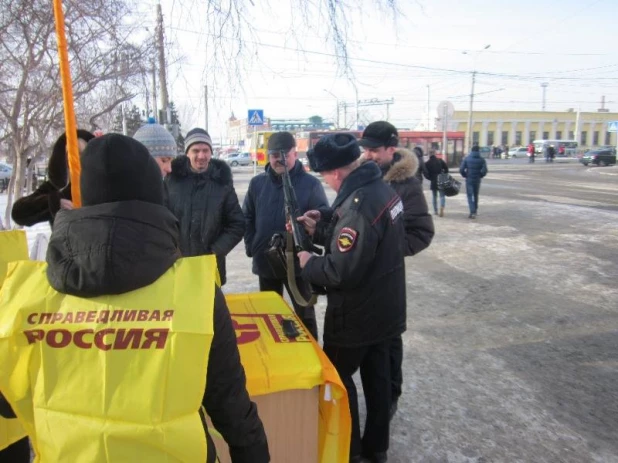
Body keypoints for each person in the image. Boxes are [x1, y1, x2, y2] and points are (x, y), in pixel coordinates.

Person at [0, 134, 270, 463]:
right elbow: (229, 403)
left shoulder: (27, 292)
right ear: (154, 194)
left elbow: (8, 402)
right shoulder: (194, 290)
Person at [296, 133, 406, 463]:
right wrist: (323, 227)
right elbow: (365, 246)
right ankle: (377, 448)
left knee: (339, 380)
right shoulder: (380, 188)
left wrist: (308, 262)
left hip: (357, 313)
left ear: (337, 173)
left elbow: (341, 270)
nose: (327, 184)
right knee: (378, 381)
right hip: (386, 308)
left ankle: (350, 451)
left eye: (325, 177)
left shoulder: (358, 205)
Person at [242, 131, 328, 339]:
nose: (279, 160)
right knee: (269, 314)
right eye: (274, 156)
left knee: (304, 313)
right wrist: (252, 246)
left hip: (299, 262)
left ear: (294, 153)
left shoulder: (311, 184)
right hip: (266, 259)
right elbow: (246, 218)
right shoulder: (257, 184)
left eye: (284, 155)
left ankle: (311, 357)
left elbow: (323, 218)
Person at [165, 128, 245, 286]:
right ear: (187, 152)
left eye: (205, 150)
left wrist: (215, 251)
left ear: (211, 152)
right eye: (195, 150)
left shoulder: (222, 183)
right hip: (175, 265)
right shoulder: (171, 180)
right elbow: (161, 219)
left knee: (210, 310)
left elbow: (237, 224)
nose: (201, 156)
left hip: (210, 267)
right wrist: (170, 250)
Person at [11, 129, 95, 227]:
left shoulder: (104, 185)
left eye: (80, 152)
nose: (74, 158)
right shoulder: (57, 187)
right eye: (70, 153)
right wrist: (53, 202)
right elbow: (18, 213)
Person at [460, 143, 488, 219]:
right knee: (476, 195)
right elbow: (485, 170)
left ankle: (472, 212)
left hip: (469, 179)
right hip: (477, 180)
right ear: (479, 151)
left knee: (469, 195)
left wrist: (465, 175)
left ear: (471, 151)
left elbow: (461, 169)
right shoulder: (482, 160)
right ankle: (475, 210)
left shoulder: (467, 159)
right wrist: (480, 175)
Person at [424, 151, 450, 217]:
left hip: (433, 180)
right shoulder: (440, 160)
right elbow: (446, 169)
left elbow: (425, 173)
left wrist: (430, 178)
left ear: (429, 155)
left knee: (434, 196)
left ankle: (435, 211)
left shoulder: (427, 163)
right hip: (441, 179)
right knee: (442, 195)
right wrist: (444, 174)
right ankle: (442, 206)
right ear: (435, 154)